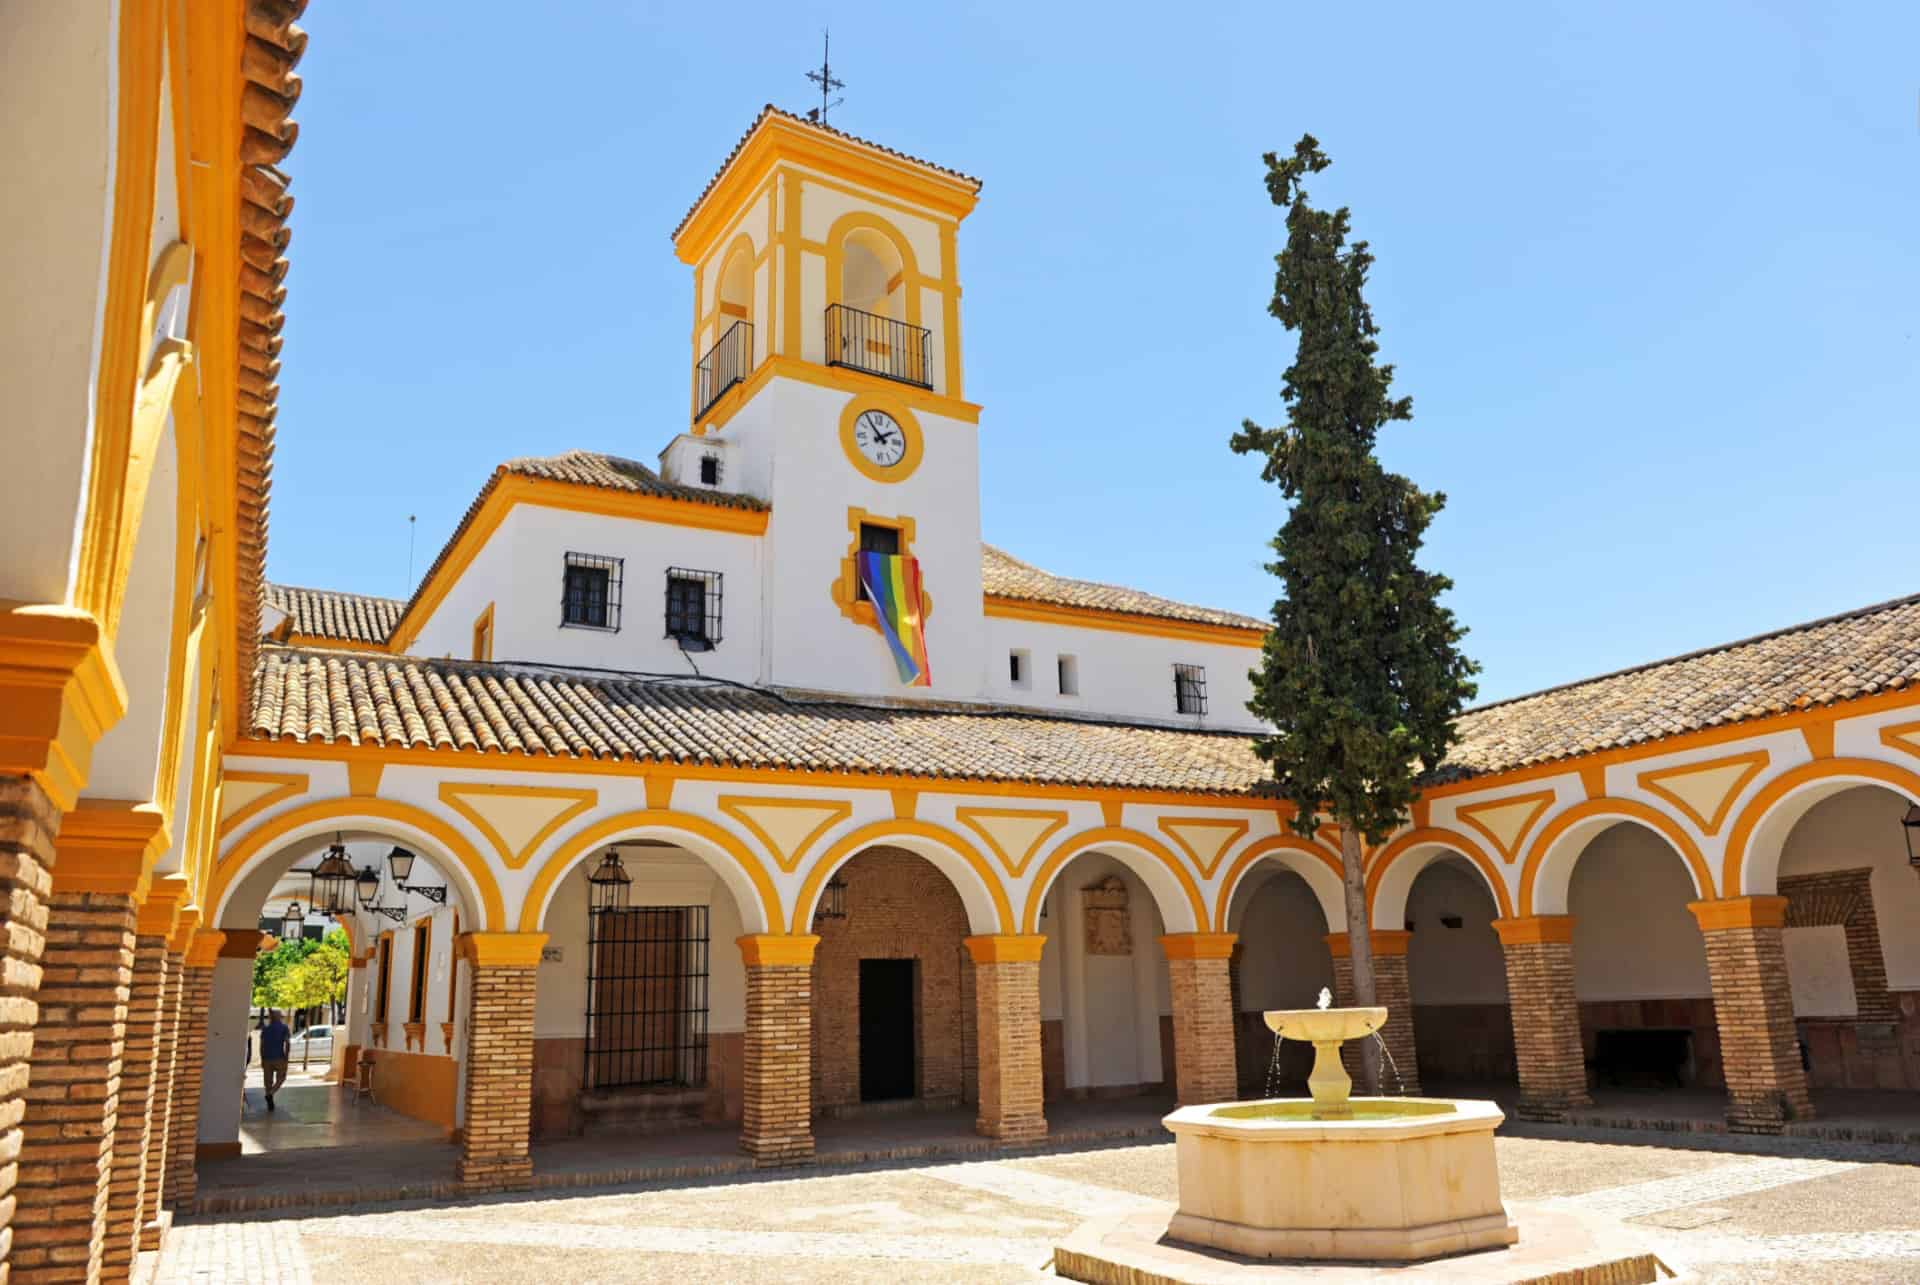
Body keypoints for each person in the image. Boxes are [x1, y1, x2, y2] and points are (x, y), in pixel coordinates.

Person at [261, 1010, 291, 1111]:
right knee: (281, 1078)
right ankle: (271, 1094)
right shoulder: (284, 1028)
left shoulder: (265, 1029)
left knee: (268, 1082)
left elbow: (262, 1045)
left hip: (267, 1059)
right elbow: (287, 1043)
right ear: (279, 1017)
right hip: (279, 1058)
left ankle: (270, 1102)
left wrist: (262, 1058)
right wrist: (286, 1056)